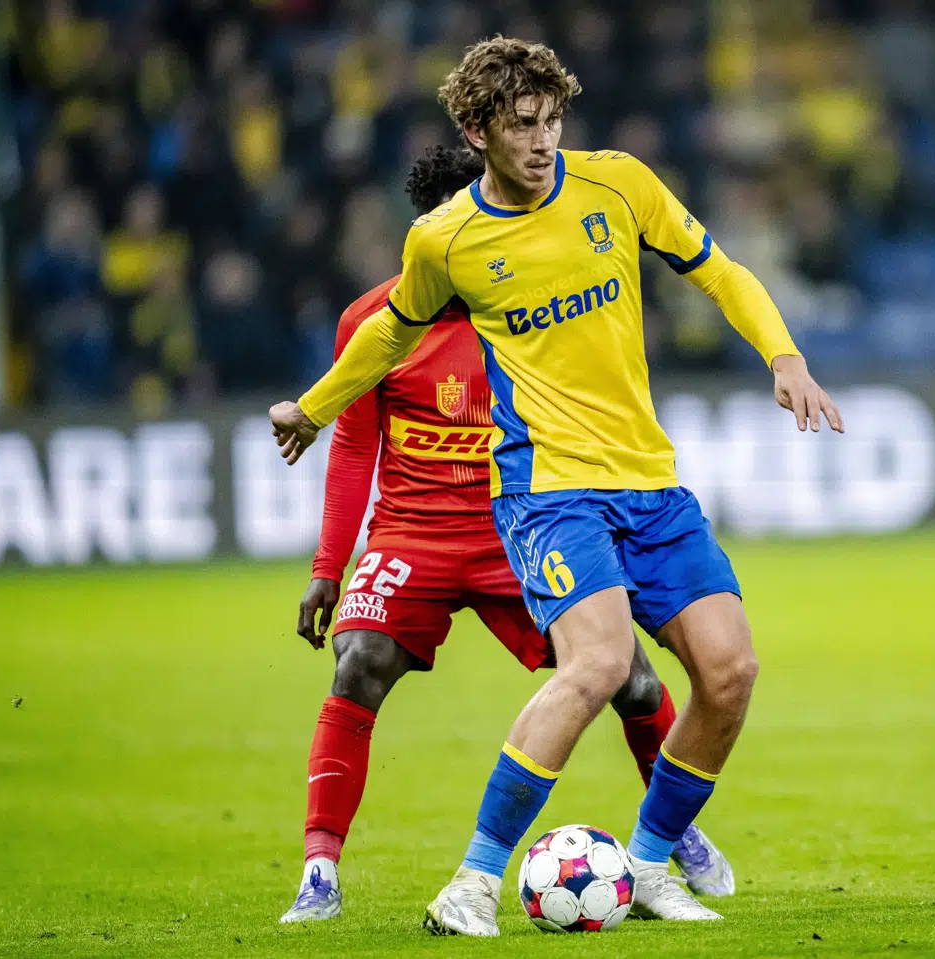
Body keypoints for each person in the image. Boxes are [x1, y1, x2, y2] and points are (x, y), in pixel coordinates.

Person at [270, 37, 842, 936]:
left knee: (730, 672)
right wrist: (313, 406)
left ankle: (652, 864)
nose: (544, 142)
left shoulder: (618, 184)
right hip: (547, 491)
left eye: (553, 121)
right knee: (601, 664)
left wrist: (783, 353)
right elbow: (385, 337)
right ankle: (472, 880)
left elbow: (719, 269)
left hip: (650, 483)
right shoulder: (446, 237)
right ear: (477, 130)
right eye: (522, 126)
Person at [279, 145, 735, 925]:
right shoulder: (377, 320)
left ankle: (674, 832)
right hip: (411, 533)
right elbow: (354, 442)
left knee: (627, 676)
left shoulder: (530, 309)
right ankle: (320, 869)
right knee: (356, 663)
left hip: (512, 527)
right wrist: (331, 564)